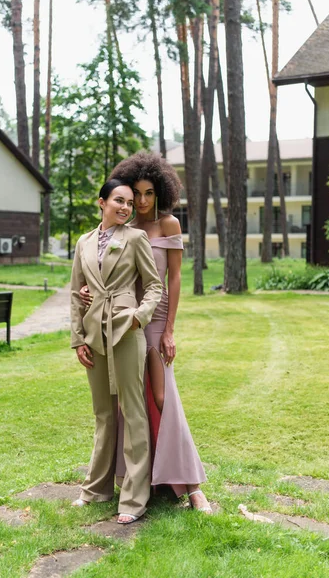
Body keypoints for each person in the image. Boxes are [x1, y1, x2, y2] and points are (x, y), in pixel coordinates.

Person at [81, 152, 212, 513]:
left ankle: (192, 485)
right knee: (127, 405)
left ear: (160, 193)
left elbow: (173, 277)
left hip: (154, 320)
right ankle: (143, 481)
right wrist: (91, 293)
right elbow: (105, 270)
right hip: (120, 321)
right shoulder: (122, 227)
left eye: (148, 193)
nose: (140, 201)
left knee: (162, 397)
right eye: (134, 193)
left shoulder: (169, 226)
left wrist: (169, 330)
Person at [70, 179, 163, 524]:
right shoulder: (84, 242)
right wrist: (78, 338)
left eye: (129, 202)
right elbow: (75, 292)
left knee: (132, 411)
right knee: (103, 414)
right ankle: (96, 489)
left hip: (126, 330)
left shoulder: (135, 238)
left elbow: (154, 285)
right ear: (102, 203)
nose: (126, 207)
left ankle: (134, 499)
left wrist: (139, 317)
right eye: (119, 201)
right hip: (94, 332)